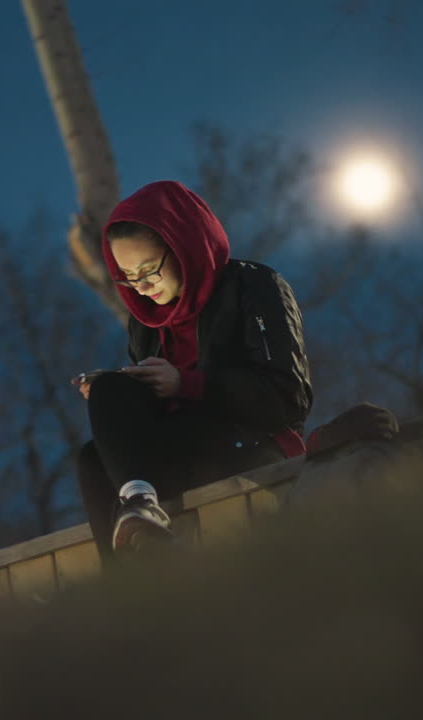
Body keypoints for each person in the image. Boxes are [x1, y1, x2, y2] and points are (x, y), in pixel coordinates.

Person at [73, 180, 312, 563]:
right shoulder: (146, 322)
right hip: (185, 446)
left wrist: (187, 384)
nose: (142, 286)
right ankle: (128, 580)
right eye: (128, 276)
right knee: (94, 448)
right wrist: (129, 391)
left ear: (185, 247)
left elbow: (287, 400)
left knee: (109, 418)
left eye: (149, 269)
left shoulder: (252, 285)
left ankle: (141, 515)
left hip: (249, 440)